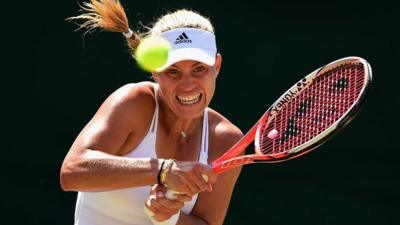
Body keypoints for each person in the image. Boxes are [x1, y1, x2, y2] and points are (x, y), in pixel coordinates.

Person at [60, 0, 243, 225]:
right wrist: (163, 170)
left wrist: (168, 216)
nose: (188, 85)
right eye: (173, 71)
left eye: (199, 69)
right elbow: (71, 172)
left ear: (217, 66)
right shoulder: (134, 103)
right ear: (155, 73)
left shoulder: (225, 140)